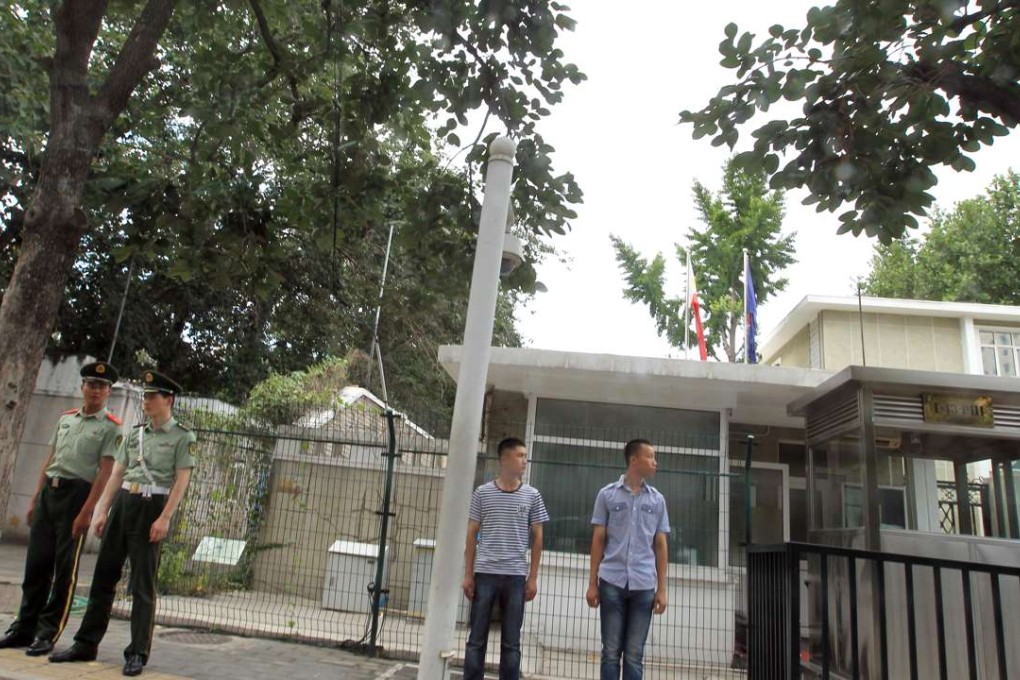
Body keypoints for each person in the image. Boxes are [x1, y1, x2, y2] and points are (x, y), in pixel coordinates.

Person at [50, 370, 196, 677]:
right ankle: (85, 643)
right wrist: (103, 510)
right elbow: (117, 473)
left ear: (168, 399)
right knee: (104, 576)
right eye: (144, 395)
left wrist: (165, 517)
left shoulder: (182, 437)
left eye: (152, 396)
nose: (146, 401)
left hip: (152, 505)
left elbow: (182, 481)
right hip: (125, 504)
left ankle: (137, 652)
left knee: (142, 584)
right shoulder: (135, 434)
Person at [0, 362, 122, 657]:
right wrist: (34, 499)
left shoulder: (111, 427)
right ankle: (24, 627)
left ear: (108, 392)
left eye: (101, 386)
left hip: (77, 496)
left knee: (64, 569)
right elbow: (51, 458)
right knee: (36, 564)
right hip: (49, 495)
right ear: (82, 387)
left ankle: (47, 632)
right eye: (90, 384)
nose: (95, 390)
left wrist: (87, 511)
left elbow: (104, 473)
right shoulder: (66, 419)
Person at [462, 437, 549, 680]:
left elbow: (538, 537)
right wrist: (468, 573)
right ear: (504, 459)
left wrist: (532, 577)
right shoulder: (482, 493)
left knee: (512, 642)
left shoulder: (532, 495)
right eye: (520, 455)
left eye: (525, 455)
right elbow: (471, 533)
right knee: (476, 638)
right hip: (485, 573)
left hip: (515, 576)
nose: (525, 461)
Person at [586, 439, 670, 680]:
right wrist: (593, 583)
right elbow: (598, 539)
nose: (655, 462)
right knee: (611, 651)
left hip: (644, 585)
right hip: (611, 581)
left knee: (634, 653)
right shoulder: (607, 495)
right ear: (634, 460)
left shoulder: (657, 500)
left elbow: (661, 545)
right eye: (651, 456)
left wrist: (662, 589)